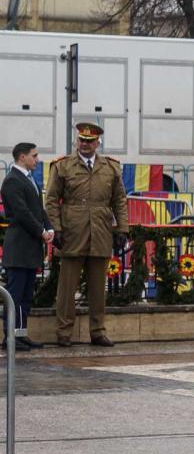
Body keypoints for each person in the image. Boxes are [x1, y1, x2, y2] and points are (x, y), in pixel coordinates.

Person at [46, 122, 129, 348]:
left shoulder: (111, 167)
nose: (84, 144)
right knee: (67, 288)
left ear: (97, 143)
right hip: (72, 232)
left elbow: (119, 200)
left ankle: (98, 332)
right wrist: (56, 228)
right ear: (77, 141)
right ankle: (64, 333)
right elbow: (51, 200)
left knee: (98, 288)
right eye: (81, 140)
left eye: (89, 141)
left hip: (100, 231)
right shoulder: (62, 166)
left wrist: (122, 229)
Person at [2, 143, 53, 351]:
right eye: (34, 155)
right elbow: (22, 213)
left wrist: (49, 228)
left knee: (26, 295)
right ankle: (10, 336)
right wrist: (41, 232)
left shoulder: (29, 179)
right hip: (19, 246)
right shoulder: (12, 180)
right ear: (22, 157)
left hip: (30, 247)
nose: (37, 159)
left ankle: (21, 334)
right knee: (14, 295)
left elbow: (39, 209)